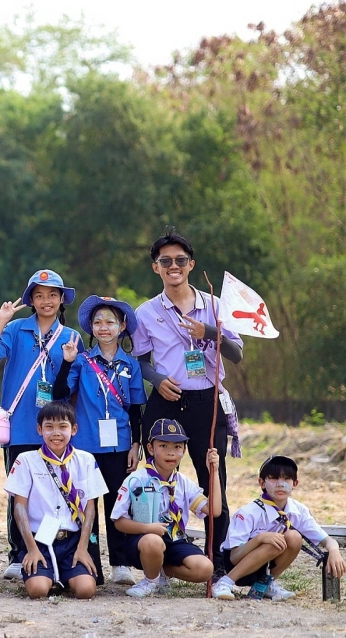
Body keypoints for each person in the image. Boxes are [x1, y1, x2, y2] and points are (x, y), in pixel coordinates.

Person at [132, 231, 243, 565]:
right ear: (156, 267)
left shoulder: (214, 305)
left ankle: (217, 560)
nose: (174, 266)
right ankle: (161, 557)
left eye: (180, 260)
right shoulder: (146, 312)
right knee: (158, 480)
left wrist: (207, 331)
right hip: (166, 401)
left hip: (206, 402)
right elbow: (140, 361)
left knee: (213, 477)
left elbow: (236, 354)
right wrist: (157, 380)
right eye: (165, 261)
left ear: (191, 265)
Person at [0, 269, 82, 581]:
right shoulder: (15, 329)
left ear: (62, 299)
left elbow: (70, 388)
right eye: (39, 295)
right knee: (20, 492)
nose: (46, 300)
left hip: (54, 430)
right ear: (31, 300)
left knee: (55, 490)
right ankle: (18, 553)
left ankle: (50, 551)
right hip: (20, 427)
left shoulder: (71, 337)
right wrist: (1, 320)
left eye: (52, 295)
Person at [53, 295, 146, 585]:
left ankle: (121, 563)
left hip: (120, 445)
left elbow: (136, 410)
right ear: (91, 328)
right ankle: (89, 562)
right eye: (97, 322)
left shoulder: (131, 364)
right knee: (85, 505)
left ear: (122, 326)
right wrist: (67, 362)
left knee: (118, 503)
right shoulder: (82, 361)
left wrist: (135, 445)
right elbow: (59, 394)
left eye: (110, 322)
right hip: (86, 446)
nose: (103, 327)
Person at [4, 402, 107, 600]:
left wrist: (82, 547)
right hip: (40, 540)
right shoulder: (26, 460)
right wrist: (32, 549)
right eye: (49, 427)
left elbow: (90, 508)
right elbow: (19, 507)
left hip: (73, 541)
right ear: (39, 429)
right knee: (37, 590)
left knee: (86, 590)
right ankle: (48, 575)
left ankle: (64, 575)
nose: (56, 433)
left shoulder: (86, 460)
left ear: (74, 429)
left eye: (63, 426)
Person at [111, 418, 221, 598]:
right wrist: (148, 528)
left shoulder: (183, 482)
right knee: (153, 542)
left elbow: (214, 510)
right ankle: (150, 581)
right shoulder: (136, 479)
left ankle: (162, 570)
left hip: (175, 539)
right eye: (163, 446)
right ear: (150, 448)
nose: (171, 453)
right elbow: (119, 521)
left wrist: (214, 472)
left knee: (205, 569)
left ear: (184, 451)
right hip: (142, 540)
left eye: (177, 447)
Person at [215, 455, 345, 600]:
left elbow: (326, 539)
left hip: (265, 565)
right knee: (274, 542)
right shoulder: (248, 513)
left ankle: (265, 585)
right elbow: (234, 557)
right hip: (237, 566)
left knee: (294, 537)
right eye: (273, 478)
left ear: (295, 483)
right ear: (262, 483)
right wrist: (260, 539)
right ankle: (225, 582)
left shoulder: (298, 510)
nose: (280, 484)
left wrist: (334, 551)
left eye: (286, 479)